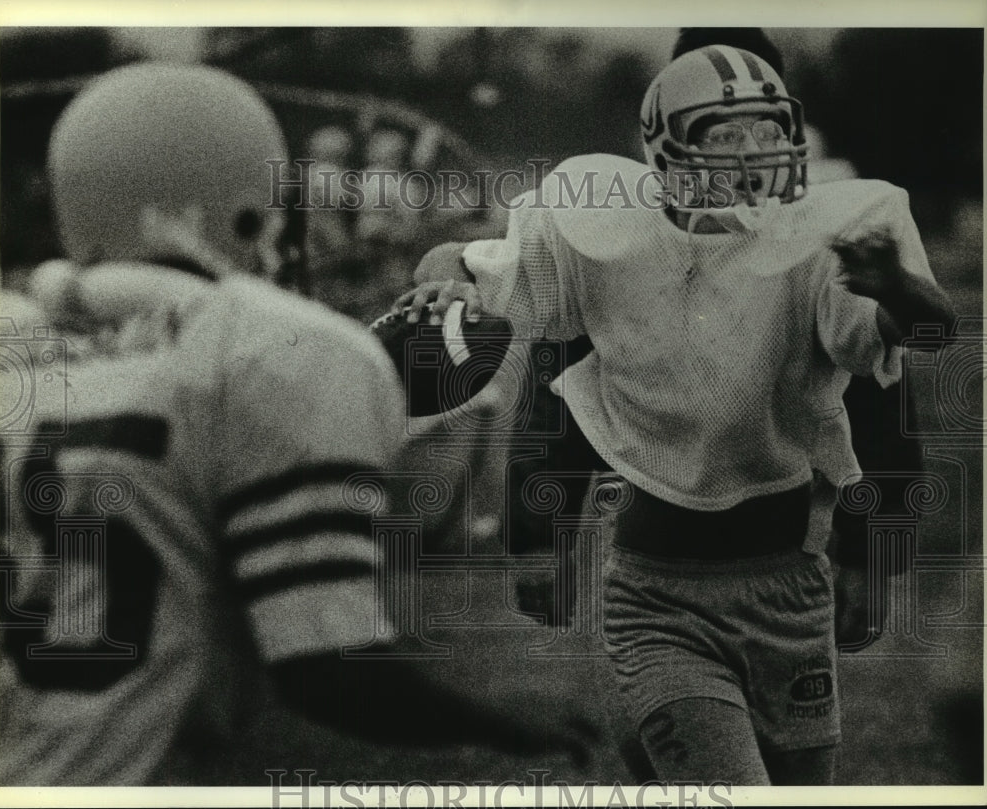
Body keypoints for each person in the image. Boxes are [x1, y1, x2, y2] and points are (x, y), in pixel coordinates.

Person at [0, 62, 594, 786]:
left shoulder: (14, 343)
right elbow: (326, 668)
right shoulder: (274, 348)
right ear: (247, 210)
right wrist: (499, 721)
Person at [395, 44, 956, 785]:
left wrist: (904, 290)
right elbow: (458, 265)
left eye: (766, 129)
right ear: (667, 147)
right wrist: (444, 287)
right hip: (658, 594)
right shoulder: (608, 228)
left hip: (793, 584)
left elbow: (918, 336)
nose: (754, 151)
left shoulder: (824, 239)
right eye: (726, 134)